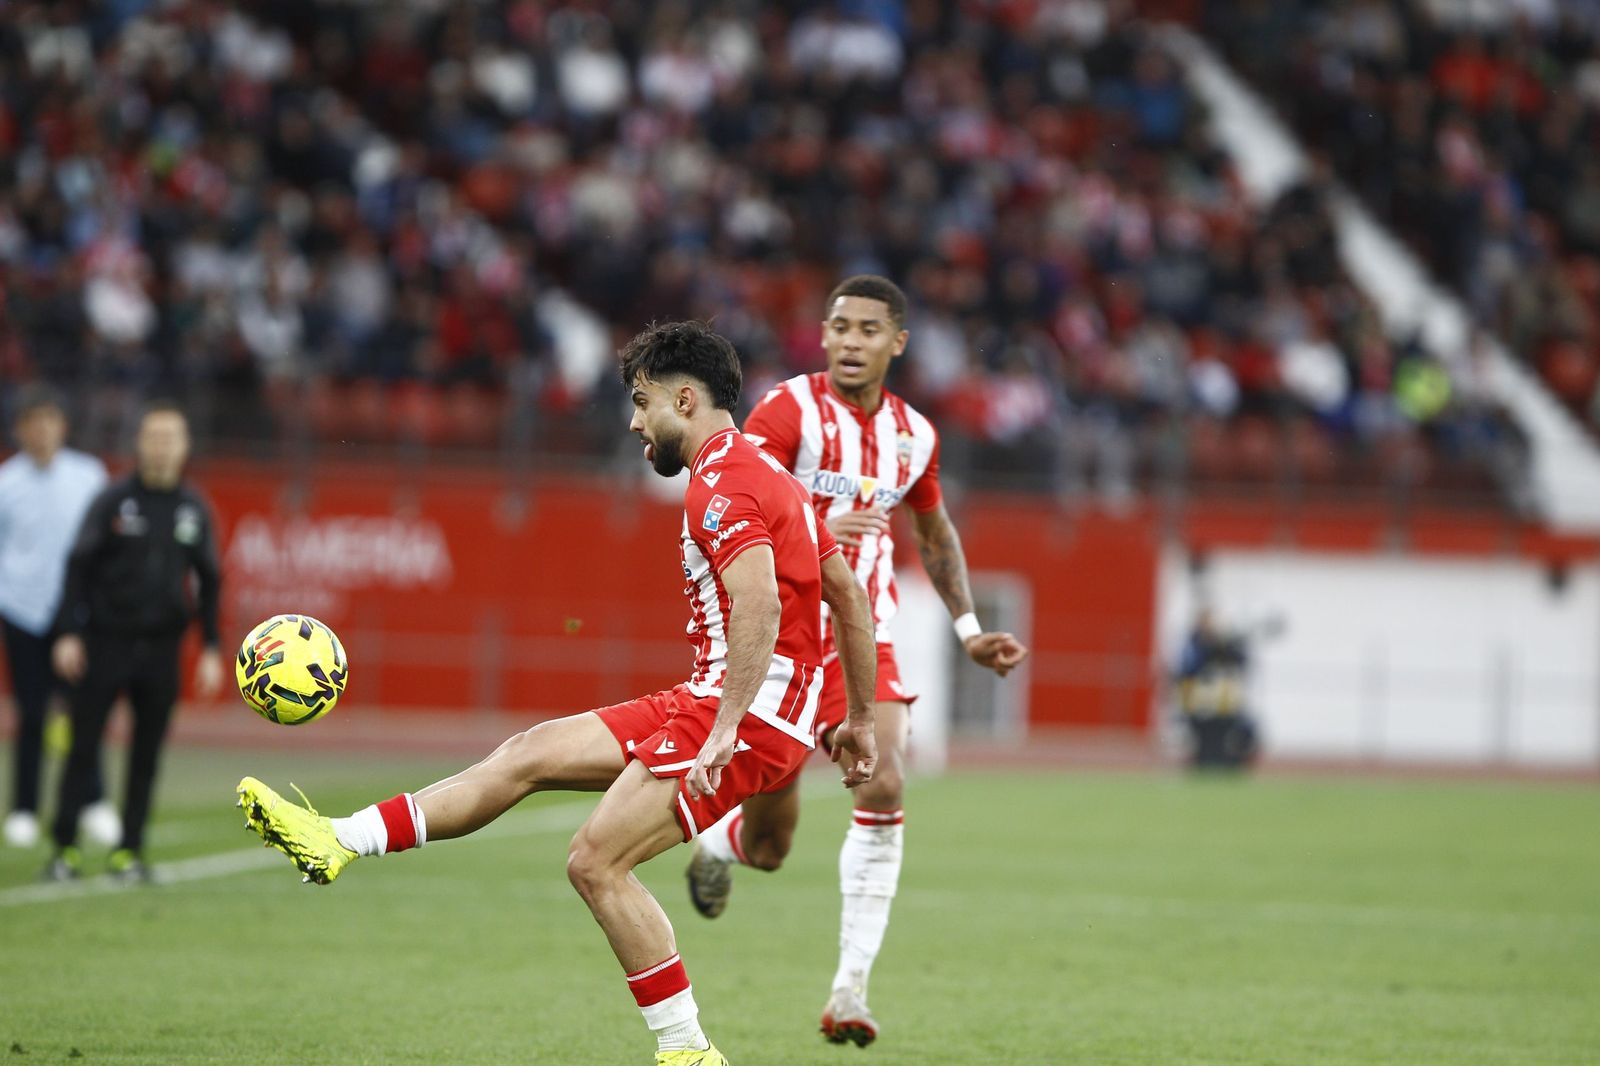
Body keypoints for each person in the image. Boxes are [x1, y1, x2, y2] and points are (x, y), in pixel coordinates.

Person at [235, 321, 880, 1066]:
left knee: (595, 862)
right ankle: (339, 840)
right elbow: (847, 595)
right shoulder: (771, 475)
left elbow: (760, 605)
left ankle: (687, 1052)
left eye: (641, 402)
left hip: (744, 712)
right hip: (721, 700)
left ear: (684, 399)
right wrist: (859, 719)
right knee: (529, 753)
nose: (635, 423)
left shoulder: (723, 483)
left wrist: (727, 724)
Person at [683, 275, 1030, 1047]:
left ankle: (850, 991)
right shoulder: (787, 410)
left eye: (868, 329)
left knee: (885, 778)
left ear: (897, 342)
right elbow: (735, 490)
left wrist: (969, 628)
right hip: (780, 636)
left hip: (860, 634)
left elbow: (934, 534)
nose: (849, 341)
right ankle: (719, 844)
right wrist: (811, 523)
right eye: (839, 326)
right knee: (771, 847)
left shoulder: (915, 436)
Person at [45, 400, 225, 882]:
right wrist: (68, 633)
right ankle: (64, 849)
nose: (162, 446)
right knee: (83, 746)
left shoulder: (194, 508)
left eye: (171, 438)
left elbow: (209, 580)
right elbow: (78, 566)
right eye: (154, 437)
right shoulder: (112, 501)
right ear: (140, 443)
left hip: (162, 649)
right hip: (105, 642)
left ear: (185, 446)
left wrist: (211, 647)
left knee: (146, 754)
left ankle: (129, 851)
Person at [0, 386, 117, 849]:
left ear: (63, 426)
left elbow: (103, 545)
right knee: (31, 712)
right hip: (22, 610)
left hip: (79, 613)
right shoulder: (6, 482)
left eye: (50, 419)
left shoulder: (89, 476)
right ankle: (25, 808)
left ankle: (93, 800)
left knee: (86, 711)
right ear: (19, 429)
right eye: (33, 421)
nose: (42, 430)